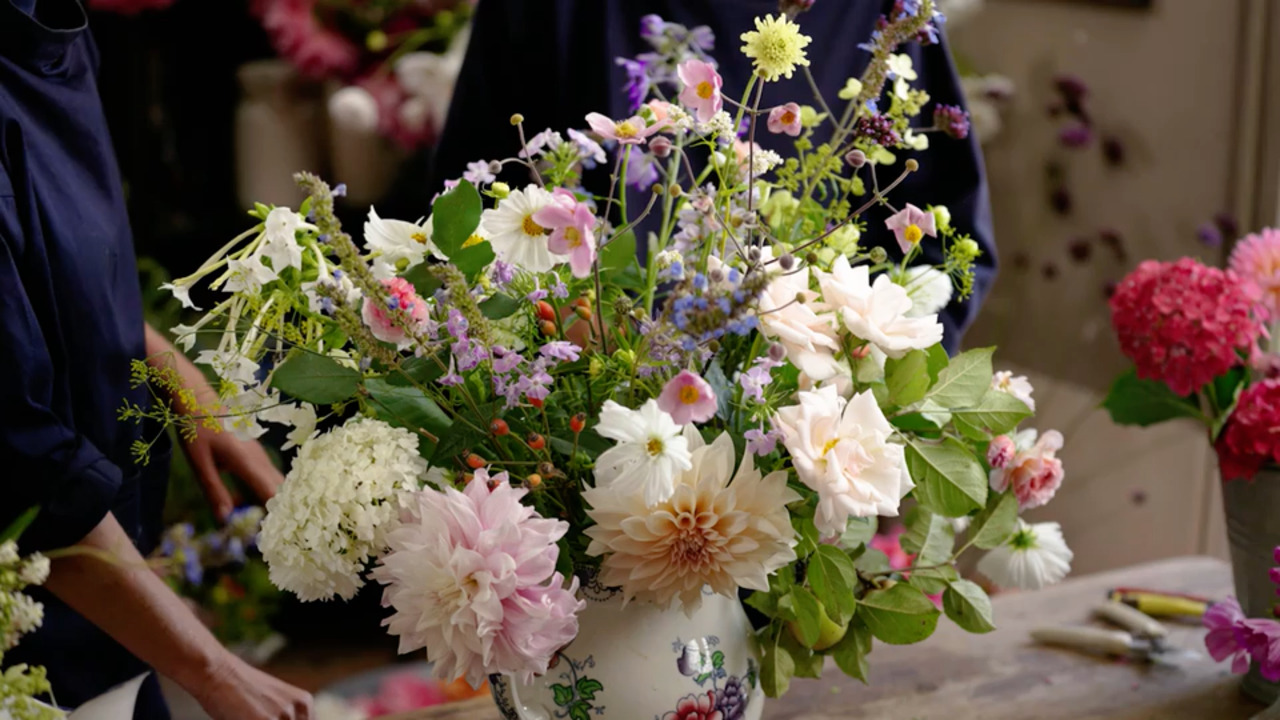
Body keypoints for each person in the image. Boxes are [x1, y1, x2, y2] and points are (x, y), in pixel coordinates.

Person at [0, 1, 313, 718]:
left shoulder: (52, 28)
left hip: (109, 601)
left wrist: (167, 365)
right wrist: (215, 671)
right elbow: (19, 458)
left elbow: (48, 275)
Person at [431, 0, 996, 351]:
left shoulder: (880, 14)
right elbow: (466, 212)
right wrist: (546, 335)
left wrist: (850, 372)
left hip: (789, 430)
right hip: (567, 406)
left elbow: (940, 251)